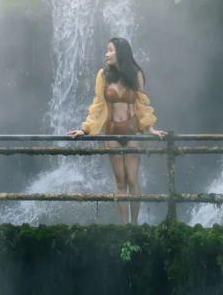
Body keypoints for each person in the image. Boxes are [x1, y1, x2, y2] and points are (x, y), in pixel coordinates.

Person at [67, 37, 165, 224]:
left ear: (121, 52)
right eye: (107, 50)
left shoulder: (136, 74)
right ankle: (124, 227)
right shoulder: (103, 76)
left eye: (110, 50)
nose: (106, 54)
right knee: (120, 181)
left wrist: (150, 129)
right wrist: (85, 129)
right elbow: (98, 105)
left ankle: (135, 224)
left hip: (131, 131)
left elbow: (142, 104)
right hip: (111, 132)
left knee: (133, 179)